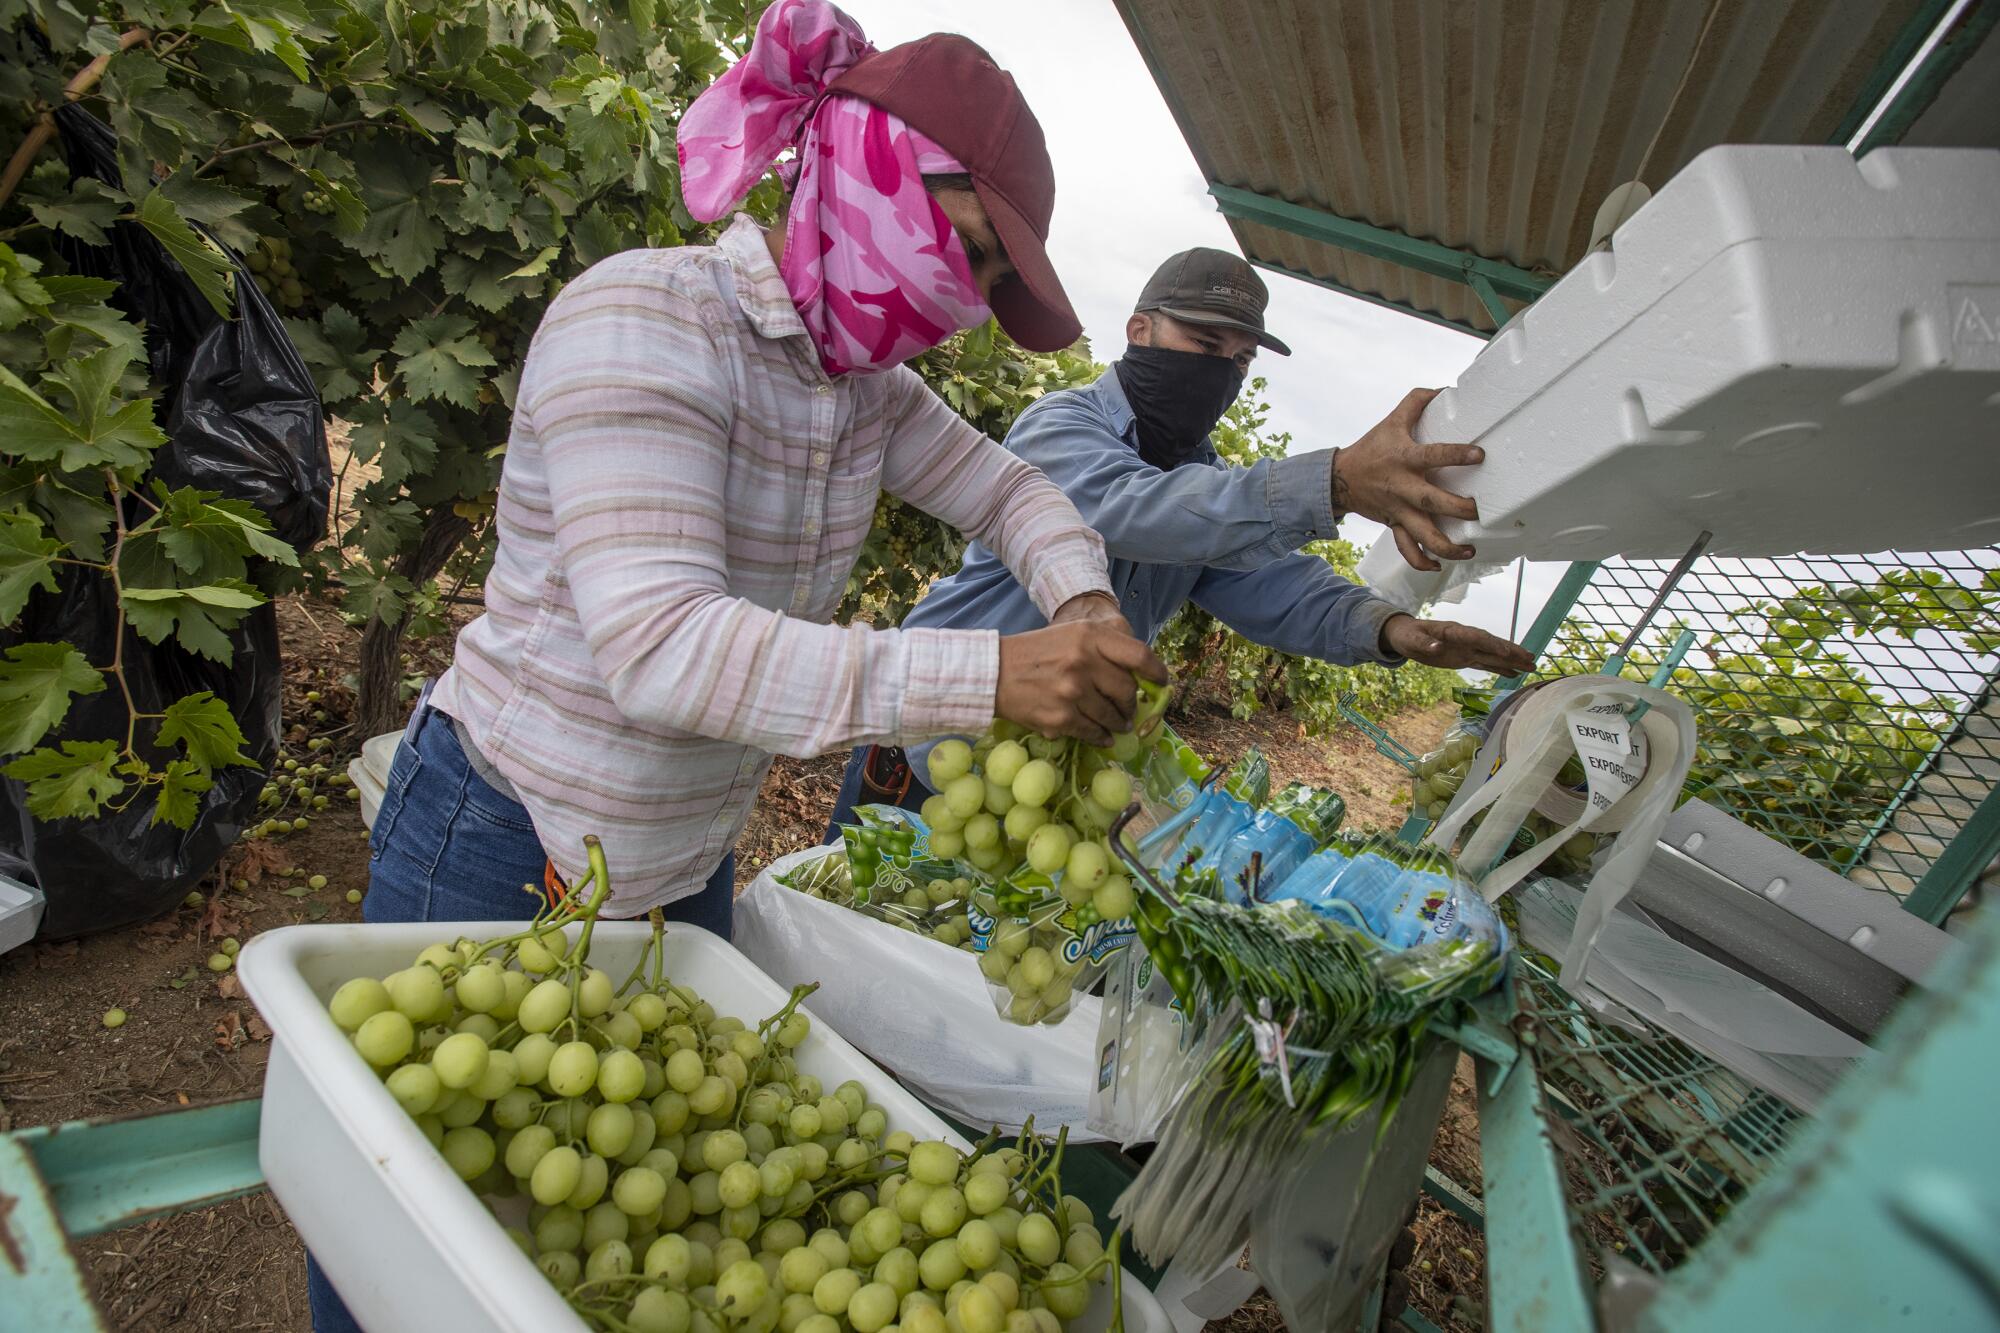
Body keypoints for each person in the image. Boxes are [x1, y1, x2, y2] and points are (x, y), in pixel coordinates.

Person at [307, 3, 1162, 1327]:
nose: (960, 299)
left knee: (611, 1202)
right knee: (408, 1211)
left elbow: (1021, 493)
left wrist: (1087, 604)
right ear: (865, 161)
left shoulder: (861, 388)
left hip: (684, 858)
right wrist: (989, 678)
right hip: (505, 824)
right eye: (971, 248)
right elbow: (660, 649)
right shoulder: (643, 321)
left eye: (988, 282)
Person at [826, 248, 1533, 834]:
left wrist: (1388, 628)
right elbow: (1140, 510)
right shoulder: (1061, 426)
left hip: (1032, 783)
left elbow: (1268, 582)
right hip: (933, 749)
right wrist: (1336, 481)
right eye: (1204, 344)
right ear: (1140, 330)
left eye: (1241, 358)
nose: (1221, 370)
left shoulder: (1206, 479)